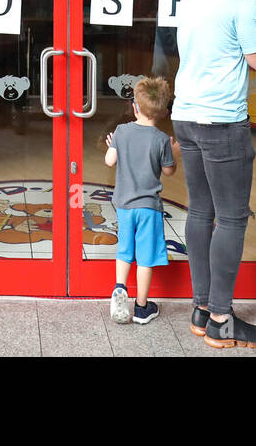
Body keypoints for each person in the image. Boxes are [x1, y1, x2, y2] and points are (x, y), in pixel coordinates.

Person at [171, 0, 256, 348]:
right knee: (231, 219)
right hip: (222, 121)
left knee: (200, 210)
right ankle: (221, 318)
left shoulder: (191, 0)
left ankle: (201, 308)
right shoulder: (242, 3)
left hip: (186, 116)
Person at [104, 76, 177, 325]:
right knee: (145, 258)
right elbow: (169, 171)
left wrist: (111, 145)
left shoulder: (122, 132)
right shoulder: (161, 139)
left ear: (135, 106)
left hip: (125, 206)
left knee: (125, 250)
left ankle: (119, 288)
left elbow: (109, 161)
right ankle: (143, 308)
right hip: (149, 208)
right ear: (164, 112)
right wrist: (173, 151)